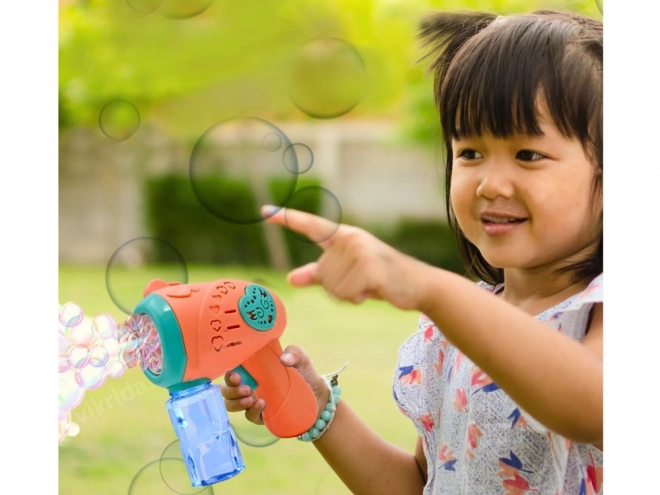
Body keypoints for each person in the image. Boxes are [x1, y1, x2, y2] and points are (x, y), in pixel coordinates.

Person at [221, 9, 603, 495]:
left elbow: (594, 404)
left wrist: (428, 286)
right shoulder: (454, 331)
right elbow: (422, 484)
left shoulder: (606, 309)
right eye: (469, 152)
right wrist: (319, 410)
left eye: (528, 154)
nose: (489, 182)